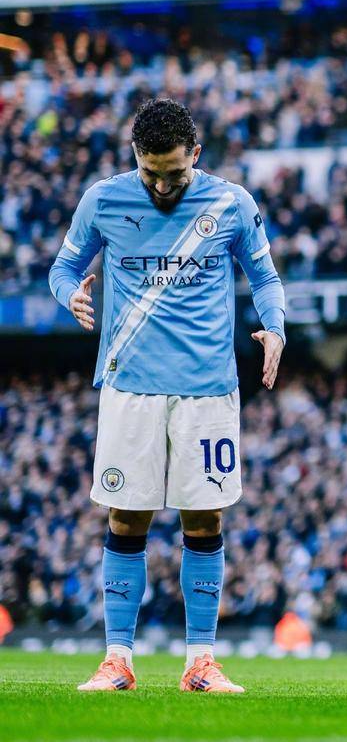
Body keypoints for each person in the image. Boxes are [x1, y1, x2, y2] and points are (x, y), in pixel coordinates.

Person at [49, 98, 286, 693]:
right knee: (126, 517)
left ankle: (200, 663)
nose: (160, 186)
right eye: (149, 172)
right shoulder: (103, 199)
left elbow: (264, 276)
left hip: (207, 388)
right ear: (135, 156)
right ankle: (117, 661)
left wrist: (275, 327)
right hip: (129, 385)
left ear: (195, 155)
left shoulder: (231, 203)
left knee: (204, 519)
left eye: (174, 173)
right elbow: (62, 267)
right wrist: (70, 295)